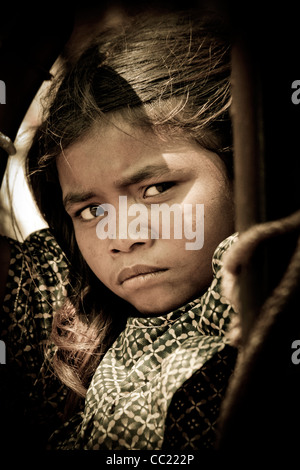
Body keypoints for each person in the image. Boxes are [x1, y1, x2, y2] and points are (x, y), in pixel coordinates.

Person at [0, 8, 238, 451]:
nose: (123, 237)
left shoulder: (266, 292)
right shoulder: (71, 314)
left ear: (244, 169)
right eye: (90, 211)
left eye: (157, 188)